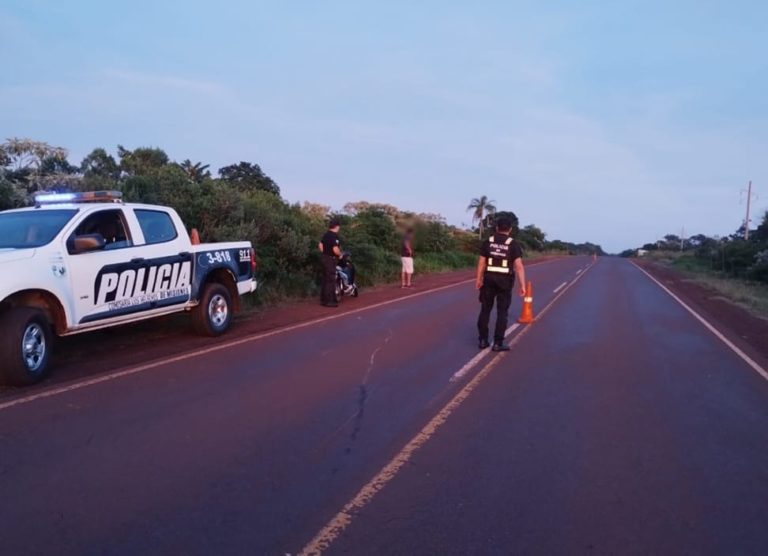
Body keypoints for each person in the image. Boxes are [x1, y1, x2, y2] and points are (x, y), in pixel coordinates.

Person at [476, 217, 526, 351]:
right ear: (510, 229)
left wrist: (478, 279)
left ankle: (482, 340)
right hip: (505, 281)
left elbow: (481, 263)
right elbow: (519, 266)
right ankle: (498, 343)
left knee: (485, 310)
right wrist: (522, 285)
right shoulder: (513, 244)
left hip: (488, 280)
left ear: (497, 228)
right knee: (502, 312)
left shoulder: (488, 242)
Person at [319, 219, 342, 307]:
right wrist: (340, 255)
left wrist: (324, 252)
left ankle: (323, 300)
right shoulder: (334, 236)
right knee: (331, 280)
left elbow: (320, 245)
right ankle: (330, 301)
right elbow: (335, 249)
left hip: (324, 258)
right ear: (337, 226)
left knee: (325, 279)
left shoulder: (326, 235)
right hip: (330, 259)